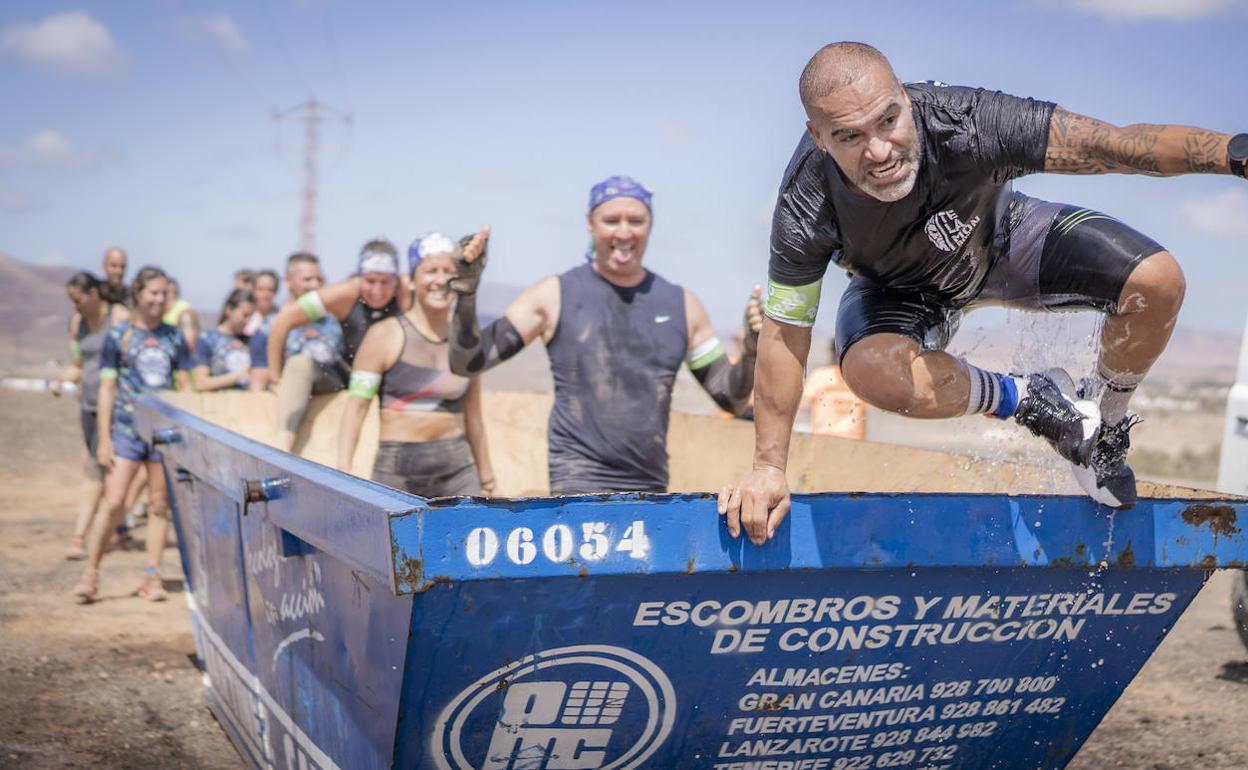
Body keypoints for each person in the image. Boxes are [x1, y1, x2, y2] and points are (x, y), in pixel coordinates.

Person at [719, 41, 1247, 543]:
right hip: (898, 292)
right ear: (818, 137)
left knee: (1157, 281)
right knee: (870, 373)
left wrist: (1233, 153)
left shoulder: (969, 122)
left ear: (907, 96)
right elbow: (786, 337)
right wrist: (768, 467)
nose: (879, 151)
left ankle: (1102, 431)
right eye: (849, 137)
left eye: (888, 120)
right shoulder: (805, 202)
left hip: (1005, 242)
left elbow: (1114, 144)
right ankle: (1034, 402)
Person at [448, 175, 764, 494]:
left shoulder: (683, 305)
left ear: (650, 224)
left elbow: (731, 398)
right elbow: (468, 362)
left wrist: (752, 352)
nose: (624, 232)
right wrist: (466, 294)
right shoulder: (554, 295)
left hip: (650, 490)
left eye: (635, 220)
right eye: (611, 220)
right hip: (576, 486)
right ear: (590, 224)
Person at [337, 234, 496, 496]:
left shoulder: (467, 339)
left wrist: (488, 479)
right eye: (431, 271)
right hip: (397, 471)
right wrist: (343, 469)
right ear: (411, 280)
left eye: (449, 271)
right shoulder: (384, 335)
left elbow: (474, 415)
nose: (441, 280)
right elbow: (356, 406)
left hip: (458, 470)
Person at [73, 266, 193, 603]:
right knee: (113, 503)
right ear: (138, 295)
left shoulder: (174, 336)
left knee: (158, 505)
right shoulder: (119, 335)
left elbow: (184, 384)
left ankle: (151, 577)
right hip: (126, 429)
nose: (159, 299)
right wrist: (105, 437)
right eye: (153, 292)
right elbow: (108, 386)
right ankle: (91, 572)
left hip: (163, 434)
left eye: (164, 293)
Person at [264, 240, 411, 451]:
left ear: (396, 280)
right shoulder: (344, 294)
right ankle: (281, 449)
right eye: (370, 281)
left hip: (396, 379)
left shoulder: (407, 294)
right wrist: (275, 378)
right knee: (299, 364)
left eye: (385, 282)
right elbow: (282, 322)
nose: (377, 290)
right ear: (359, 277)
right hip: (349, 375)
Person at [54, 272, 131, 559]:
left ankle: (79, 537)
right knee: (105, 470)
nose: (75, 306)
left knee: (97, 469)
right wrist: (60, 382)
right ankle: (121, 532)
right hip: (87, 406)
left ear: (95, 293)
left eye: (78, 299)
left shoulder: (120, 318)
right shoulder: (78, 324)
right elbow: (77, 364)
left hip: (113, 407)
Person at [248, 253, 334, 393]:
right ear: (288, 281)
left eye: (319, 279)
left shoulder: (334, 322)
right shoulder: (267, 327)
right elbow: (259, 383)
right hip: (288, 402)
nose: (315, 285)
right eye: (307, 279)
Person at [800, 340, 867, 439]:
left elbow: (803, 405)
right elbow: (866, 411)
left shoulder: (820, 375)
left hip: (824, 436)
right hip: (853, 439)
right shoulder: (859, 379)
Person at [193, 289, 256, 391]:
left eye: (251, 316)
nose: (248, 321)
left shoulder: (251, 341)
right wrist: (238, 376)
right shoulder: (208, 338)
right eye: (244, 315)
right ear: (229, 310)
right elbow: (200, 383)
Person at [163, 277, 201, 351]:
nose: (171, 295)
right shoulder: (157, 308)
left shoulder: (183, 307)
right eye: (167, 292)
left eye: (174, 292)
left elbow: (191, 331)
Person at [245, 268, 280, 336]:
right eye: (261, 289)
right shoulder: (245, 318)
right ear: (253, 290)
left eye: (270, 290)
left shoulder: (281, 316)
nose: (265, 294)